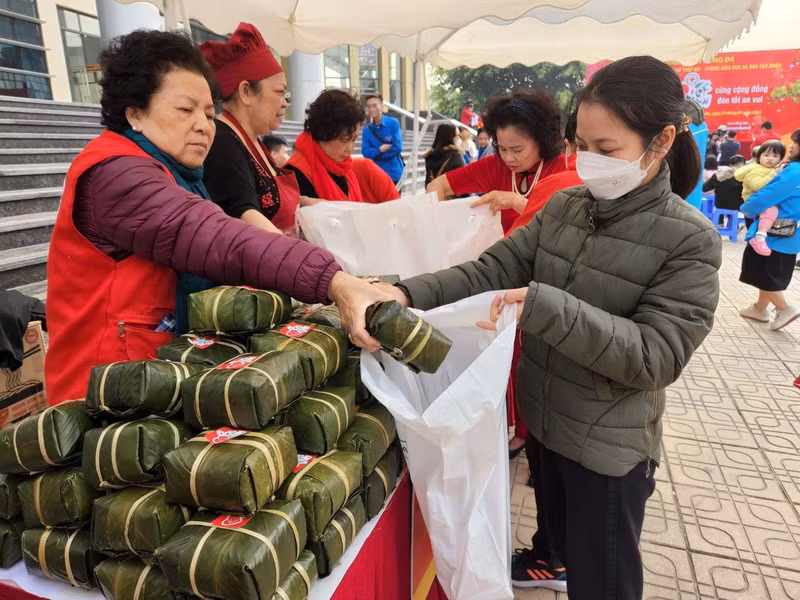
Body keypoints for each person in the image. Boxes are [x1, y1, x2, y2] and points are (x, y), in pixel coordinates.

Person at [334, 55, 722, 599]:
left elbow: (657, 357)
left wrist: (546, 306)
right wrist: (404, 292)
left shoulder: (690, 239)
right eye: (582, 146)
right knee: (561, 547)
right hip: (546, 427)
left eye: (607, 150)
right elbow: (491, 270)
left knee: (604, 581)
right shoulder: (564, 207)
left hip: (608, 450)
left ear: (660, 142)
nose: (589, 162)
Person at [44, 29, 388, 405]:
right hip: (103, 403)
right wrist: (331, 281)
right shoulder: (115, 173)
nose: (204, 125)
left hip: (158, 380)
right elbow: (213, 235)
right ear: (135, 113)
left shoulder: (178, 173)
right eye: (185, 109)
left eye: (209, 114)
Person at [200, 23, 297, 236]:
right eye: (280, 92)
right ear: (246, 92)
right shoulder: (222, 142)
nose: (284, 103)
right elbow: (244, 213)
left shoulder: (254, 139)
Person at [427, 90, 567, 233]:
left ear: (541, 141)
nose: (508, 158)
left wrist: (516, 202)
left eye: (517, 150)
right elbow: (437, 186)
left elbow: (564, 228)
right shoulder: (495, 166)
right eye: (502, 148)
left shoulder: (564, 168)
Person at [738, 129, 800, 330]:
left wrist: (747, 208)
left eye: (795, 142)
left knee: (761, 272)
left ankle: (784, 309)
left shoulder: (794, 171)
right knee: (769, 274)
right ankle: (760, 308)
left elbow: (767, 196)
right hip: (791, 236)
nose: (791, 146)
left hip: (773, 234)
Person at [286, 89, 365, 201]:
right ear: (324, 134)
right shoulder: (296, 174)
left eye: (354, 139)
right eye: (344, 140)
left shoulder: (344, 168)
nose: (350, 149)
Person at [735, 140, 787, 255]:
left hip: (763, 200)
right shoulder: (754, 169)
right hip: (754, 200)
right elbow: (757, 185)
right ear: (759, 156)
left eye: (775, 156)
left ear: (780, 158)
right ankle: (760, 237)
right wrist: (774, 174)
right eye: (766, 155)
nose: (770, 158)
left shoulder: (771, 169)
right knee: (771, 211)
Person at [361, 93, 404, 184]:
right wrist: (380, 149)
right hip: (376, 174)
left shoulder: (393, 123)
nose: (371, 109)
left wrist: (376, 155)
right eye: (369, 107)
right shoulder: (366, 130)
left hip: (393, 173)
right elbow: (365, 152)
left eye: (374, 106)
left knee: (395, 198)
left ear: (381, 106)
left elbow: (397, 147)